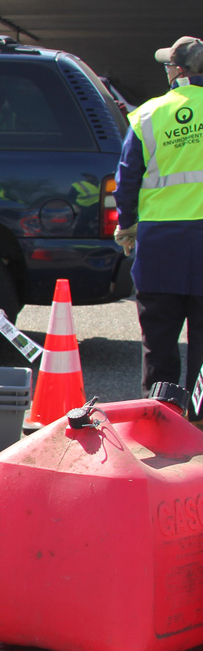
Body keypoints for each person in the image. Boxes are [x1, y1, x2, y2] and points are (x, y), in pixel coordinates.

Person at [113, 35, 203, 413]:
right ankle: (200, 421)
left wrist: (128, 225)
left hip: (160, 243)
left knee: (159, 341)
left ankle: (162, 418)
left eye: (168, 64)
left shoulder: (149, 114)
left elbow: (127, 179)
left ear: (178, 70)